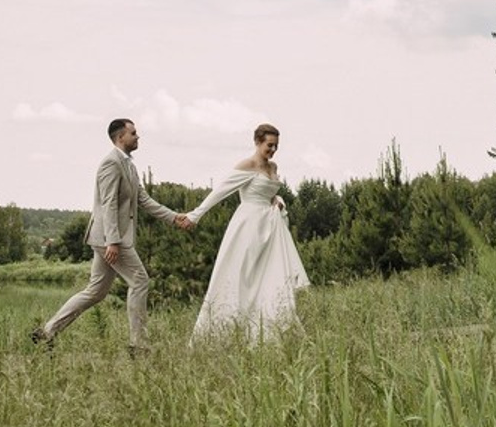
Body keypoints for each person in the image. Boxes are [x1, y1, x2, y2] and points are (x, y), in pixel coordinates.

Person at [32, 118, 190, 356]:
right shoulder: (111, 163)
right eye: (134, 133)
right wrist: (112, 241)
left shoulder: (129, 165)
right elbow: (109, 203)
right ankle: (139, 345)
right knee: (140, 281)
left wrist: (173, 217)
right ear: (120, 137)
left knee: (95, 291)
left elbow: (142, 199)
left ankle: (47, 332)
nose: (138, 137)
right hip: (111, 238)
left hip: (109, 238)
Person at [185, 123, 309, 342]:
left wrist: (278, 201)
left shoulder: (273, 168)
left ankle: (269, 330)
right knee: (241, 276)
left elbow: (271, 193)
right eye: (269, 145)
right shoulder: (247, 165)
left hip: (270, 228)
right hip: (248, 226)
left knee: (271, 277)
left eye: (276, 146)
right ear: (257, 142)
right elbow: (219, 192)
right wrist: (195, 215)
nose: (273, 150)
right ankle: (228, 331)